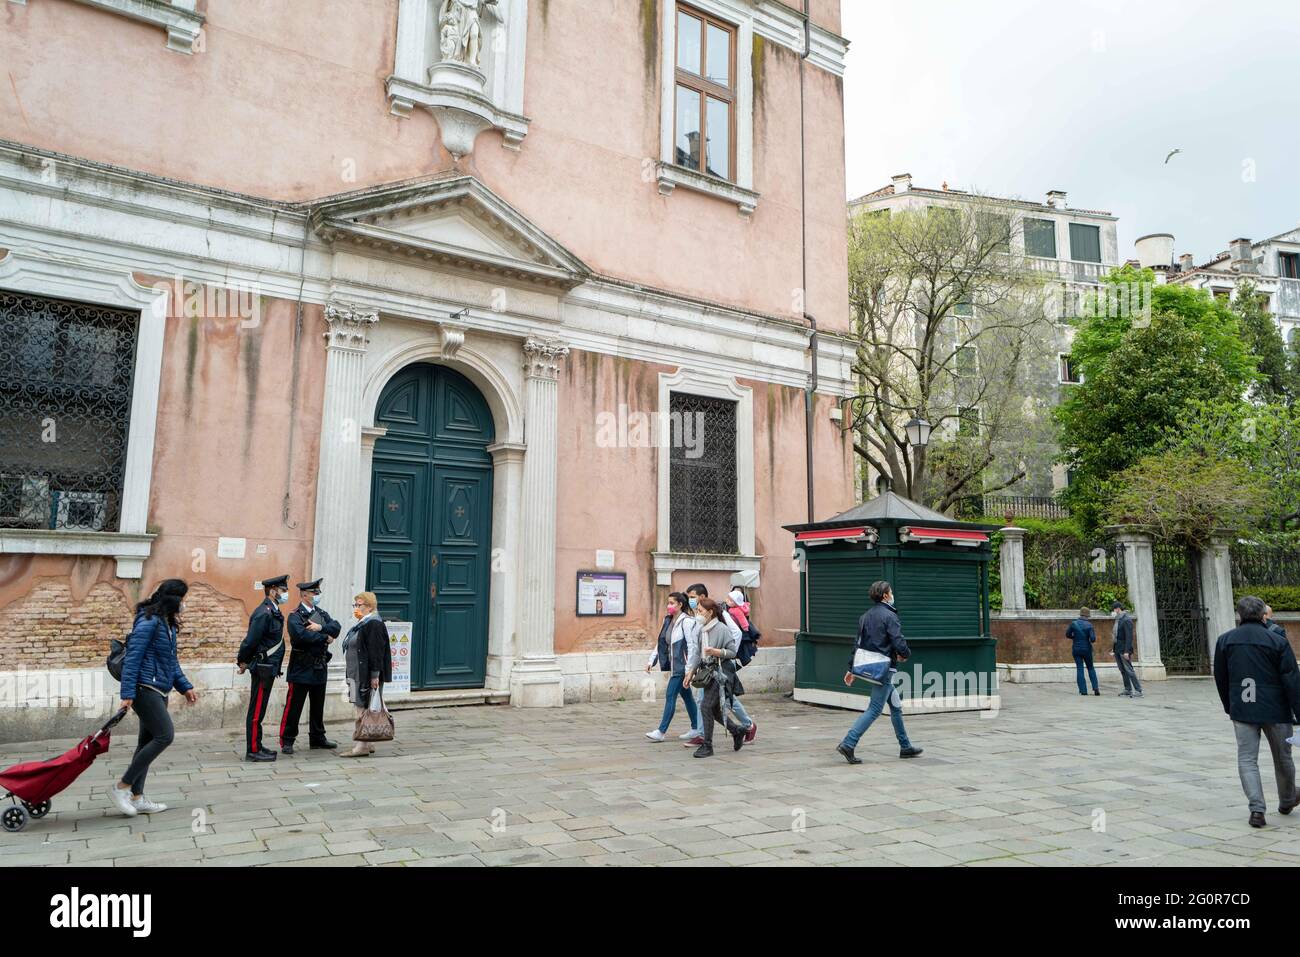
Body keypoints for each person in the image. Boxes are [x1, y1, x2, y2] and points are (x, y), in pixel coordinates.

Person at [110, 579, 198, 817]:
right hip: (144, 688)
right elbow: (133, 659)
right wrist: (127, 694)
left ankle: (137, 797)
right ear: (174, 600)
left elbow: (171, 662)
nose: (184, 605)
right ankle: (122, 787)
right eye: (183, 599)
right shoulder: (148, 621)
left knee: (145, 742)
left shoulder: (166, 623)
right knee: (164, 735)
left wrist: (185, 686)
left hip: (160, 689)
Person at [1212, 595, 1300, 828]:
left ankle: (1257, 810)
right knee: (1283, 758)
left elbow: (1221, 677)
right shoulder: (1277, 641)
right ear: (1263, 614)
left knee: (1247, 759)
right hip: (1276, 710)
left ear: (1240, 615)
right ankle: (1288, 799)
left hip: (1242, 708)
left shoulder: (1225, 641)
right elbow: (1292, 679)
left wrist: (1229, 706)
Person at [836, 580, 922, 764]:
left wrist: (851, 669)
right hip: (885, 669)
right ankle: (848, 743)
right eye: (891, 592)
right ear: (885, 595)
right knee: (875, 709)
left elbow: (857, 644)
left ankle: (905, 746)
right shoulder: (890, 616)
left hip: (872, 667)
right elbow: (898, 641)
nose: (892, 594)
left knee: (896, 707)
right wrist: (905, 654)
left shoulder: (865, 616)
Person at [682, 583, 756, 746]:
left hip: (720, 666)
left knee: (725, 701)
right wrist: (691, 670)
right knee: (709, 702)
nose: (690, 601)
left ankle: (747, 726)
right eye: (689, 597)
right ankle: (706, 734)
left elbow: (736, 633)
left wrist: (723, 655)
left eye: (693, 597)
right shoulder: (697, 616)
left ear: (702, 597)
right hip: (705, 666)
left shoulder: (718, 614)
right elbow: (696, 646)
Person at [278, 578, 340, 755]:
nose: (317, 595)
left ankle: (317, 738)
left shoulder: (321, 613)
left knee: (318, 705)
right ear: (304, 595)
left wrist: (320, 628)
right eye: (314, 593)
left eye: (318, 592)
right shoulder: (295, 615)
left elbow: (335, 627)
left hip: (319, 665)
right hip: (301, 666)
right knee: (294, 706)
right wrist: (325, 637)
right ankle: (287, 740)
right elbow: (301, 637)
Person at [237, 574, 290, 762]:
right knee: (256, 710)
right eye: (284, 590)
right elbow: (250, 641)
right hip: (262, 668)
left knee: (260, 709)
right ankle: (252, 750)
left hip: (269, 667)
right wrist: (242, 661)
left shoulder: (273, 611)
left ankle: (257, 745)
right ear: (273, 591)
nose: (286, 594)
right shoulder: (264, 613)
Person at [341, 591, 393, 757]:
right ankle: (368, 742)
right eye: (355, 605)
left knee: (362, 708)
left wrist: (375, 675)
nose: (356, 608)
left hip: (365, 674)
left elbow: (376, 652)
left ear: (370, 606)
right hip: (357, 672)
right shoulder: (363, 623)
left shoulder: (374, 624)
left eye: (359, 605)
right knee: (364, 706)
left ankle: (361, 746)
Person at [644, 591, 701, 742]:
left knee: (670, 695)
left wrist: (690, 669)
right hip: (675, 666)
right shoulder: (668, 620)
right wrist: (652, 660)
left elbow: (692, 646)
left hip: (682, 668)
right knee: (687, 697)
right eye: (668, 603)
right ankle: (696, 728)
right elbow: (661, 642)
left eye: (672, 603)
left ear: (680, 605)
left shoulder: (687, 622)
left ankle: (661, 732)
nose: (669, 606)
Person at [1111, 600, 1144, 698]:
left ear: (1118, 609)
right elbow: (1116, 636)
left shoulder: (1126, 620)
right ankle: (1128, 689)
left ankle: (1139, 690)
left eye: (1114, 609)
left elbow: (1129, 637)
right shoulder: (1118, 620)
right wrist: (1114, 649)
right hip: (1117, 649)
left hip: (1124, 650)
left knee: (1129, 670)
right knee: (1122, 670)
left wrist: (1126, 651)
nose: (1113, 611)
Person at [1067, 607, 1100, 696]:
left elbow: (1067, 634)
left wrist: (1074, 637)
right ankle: (1096, 688)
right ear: (1087, 615)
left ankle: (1083, 690)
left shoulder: (1073, 624)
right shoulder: (1089, 625)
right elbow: (1093, 639)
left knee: (1080, 668)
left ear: (1080, 614)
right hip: (1087, 650)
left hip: (1076, 649)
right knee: (1090, 667)